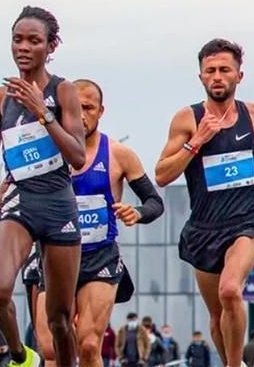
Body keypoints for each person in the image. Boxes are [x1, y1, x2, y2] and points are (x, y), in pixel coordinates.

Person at [155, 38, 254, 366]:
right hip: (204, 228)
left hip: (246, 223)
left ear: (238, 76)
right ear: (201, 77)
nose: (217, 76)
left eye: (224, 70)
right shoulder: (187, 120)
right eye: (210, 71)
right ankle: (232, 361)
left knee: (231, 290)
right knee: (217, 316)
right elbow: (161, 174)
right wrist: (196, 142)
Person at [0, 5, 87, 367]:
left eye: (33, 41)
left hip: (57, 204)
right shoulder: (2, 94)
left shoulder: (64, 91)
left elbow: (77, 156)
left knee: (58, 318)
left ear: (50, 46)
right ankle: (20, 356)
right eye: (17, 39)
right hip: (20, 202)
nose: (23, 47)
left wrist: (44, 111)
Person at [29, 79, 164, 366]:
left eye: (88, 108)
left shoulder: (118, 154)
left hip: (99, 257)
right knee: (50, 348)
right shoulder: (45, 153)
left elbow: (155, 202)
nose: (81, 115)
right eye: (75, 108)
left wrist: (137, 212)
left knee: (89, 344)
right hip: (53, 258)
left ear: (101, 111)